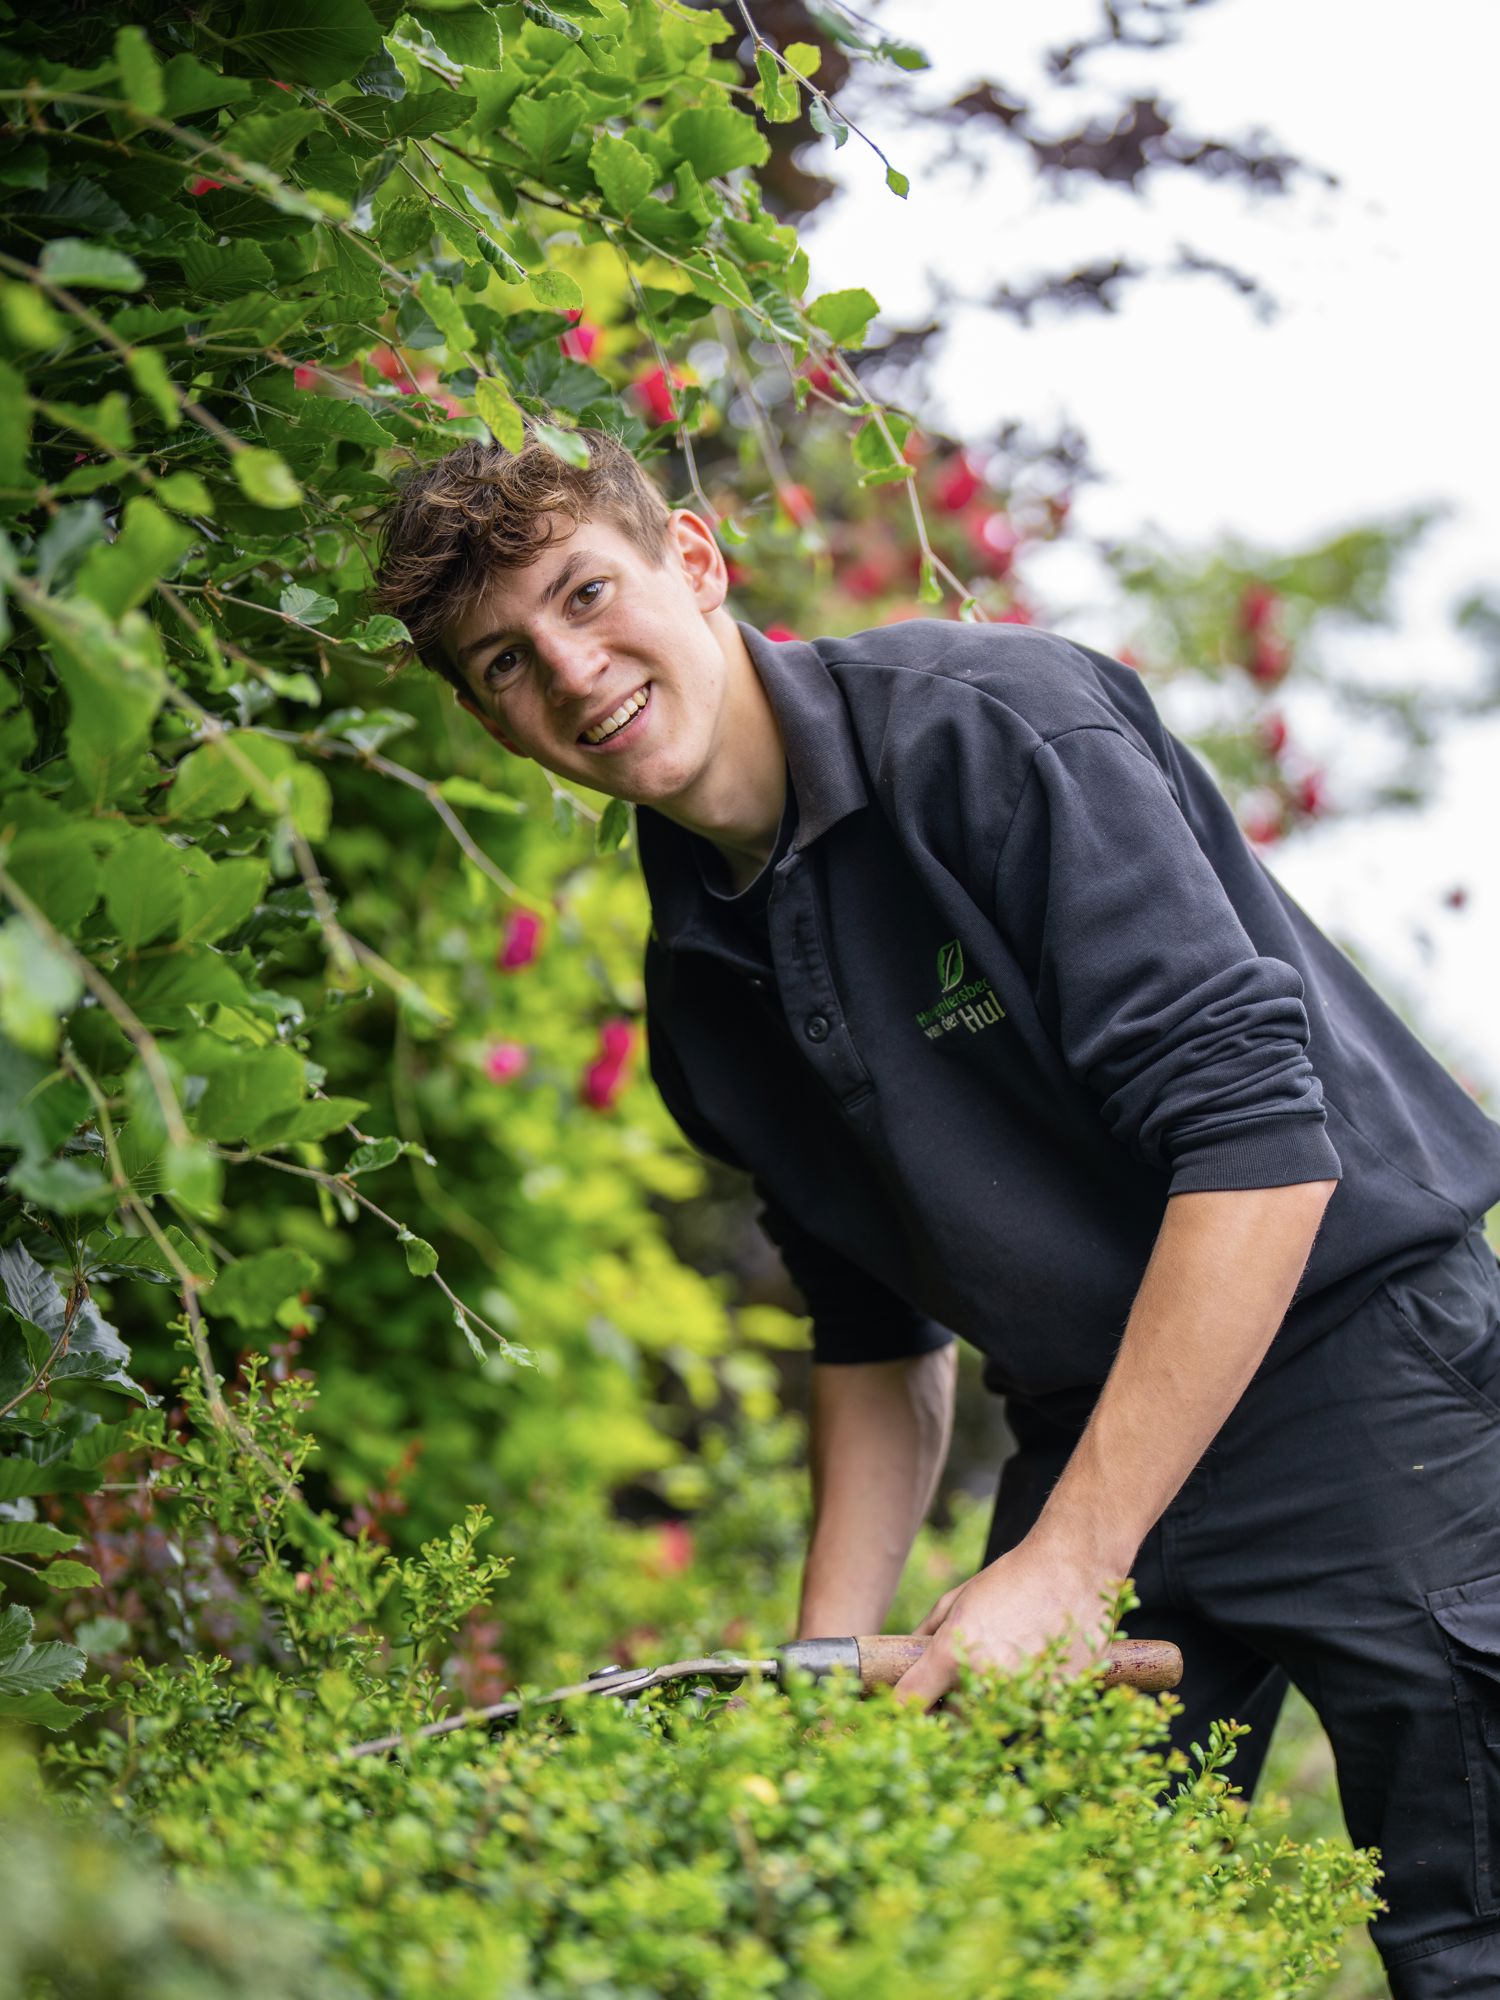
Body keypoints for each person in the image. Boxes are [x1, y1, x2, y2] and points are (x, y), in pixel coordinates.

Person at [376, 428, 1500, 1998]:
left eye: (589, 594)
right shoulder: (699, 978)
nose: (571, 671)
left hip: (1371, 1393)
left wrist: (1063, 1561)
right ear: (486, 715)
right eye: (507, 659)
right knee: (1033, 1944)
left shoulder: (996, 732)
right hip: (1088, 1426)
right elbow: (872, 1329)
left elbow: (1263, 1150)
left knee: (1472, 1944)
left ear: (695, 562)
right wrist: (821, 1666)